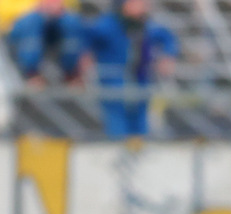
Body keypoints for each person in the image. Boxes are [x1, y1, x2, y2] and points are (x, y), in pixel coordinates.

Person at [84, 0, 177, 139]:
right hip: (113, 80)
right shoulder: (108, 24)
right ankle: (119, 149)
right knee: (117, 120)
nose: (143, 6)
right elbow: (86, 39)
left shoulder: (146, 25)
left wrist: (168, 56)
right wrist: (85, 57)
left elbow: (167, 37)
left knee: (140, 120)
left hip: (140, 77)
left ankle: (139, 150)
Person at [7, 0, 85, 89]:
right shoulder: (27, 22)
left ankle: (71, 75)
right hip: (29, 74)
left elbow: (85, 46)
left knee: (71, 24)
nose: (51, 4)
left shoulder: (72, 22)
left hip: (64, 72)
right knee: (31, 24)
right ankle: (32, 75)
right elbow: (12, 44)